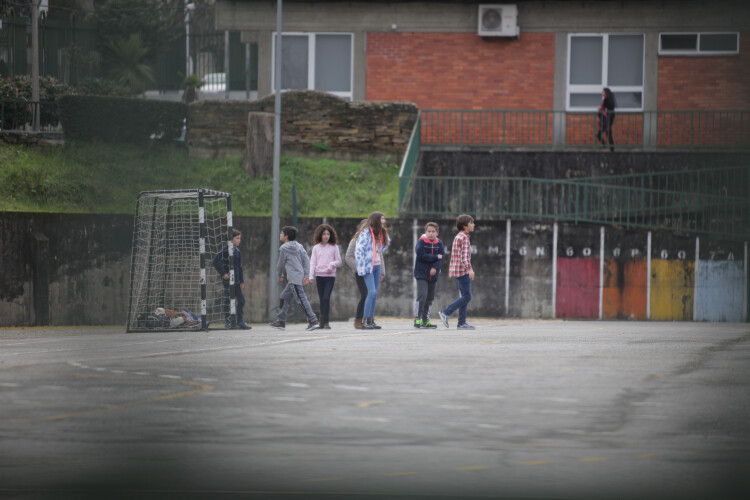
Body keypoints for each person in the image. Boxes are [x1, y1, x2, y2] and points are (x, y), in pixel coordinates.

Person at [269, 226, 320, 331]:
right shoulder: (299, 246)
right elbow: (306, 261)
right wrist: (306, 275)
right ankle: (281, 321)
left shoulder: (283, 248)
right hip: (298, 277)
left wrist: (279, 275)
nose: (280, 235)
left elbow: (280, 264)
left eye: (282, 233)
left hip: (294, 279)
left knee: (301, 299)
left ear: (286, 236)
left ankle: (313, 320)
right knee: (284, 297)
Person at [439, 214, 476, 330]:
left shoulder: (459, 236)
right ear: (465, 226)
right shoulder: (464, 238)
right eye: (471, 223)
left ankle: (461, 323)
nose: (473, 225)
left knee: (465, 296)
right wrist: (469, 269)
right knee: (467, 297)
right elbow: (464, 257)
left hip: (457, 269)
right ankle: (446, 312)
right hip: (462, 270)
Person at [354, 211, 390, 330]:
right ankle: (365, 321)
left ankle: (371, 320)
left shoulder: (379, 232)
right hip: (368, 267)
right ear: (376, 220)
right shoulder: (366, 233)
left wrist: (384, 234)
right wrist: (362, 267)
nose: (384, 221)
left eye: (384, 219)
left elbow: (383, 247)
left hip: (377, 266)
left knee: (374, 295)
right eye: (381, 219)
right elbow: (359, 250)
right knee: (372, 292)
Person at [211, 229, 250, 329]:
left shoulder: (237, 251)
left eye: (239, 238)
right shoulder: (225, 250)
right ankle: (228, 321)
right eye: (237, 238)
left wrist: (242, 281)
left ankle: (240, 321)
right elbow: (215, 262)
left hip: (236, 281)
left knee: (241, 300)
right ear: (230, 240)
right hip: (228, 281)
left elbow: (240, 267)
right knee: (227, 300)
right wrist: (223, 273)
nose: (239, 240)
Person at [309, 223, 342, 329]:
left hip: (330, 277)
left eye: (328, 234)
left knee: (326, 298)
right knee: (322, 299)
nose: (326, 236)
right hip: (319, 276)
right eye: (324, 234)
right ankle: (322, 323)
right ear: (320, 235)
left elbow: (339, 261)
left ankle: (326, 322)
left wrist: (331, 266)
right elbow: (312, 262)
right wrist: (311, 276)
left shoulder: (334, 247)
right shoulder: (315, 248)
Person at [413, 222, 444, 329]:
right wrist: (435, 257)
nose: (431, 234)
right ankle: (417, 318)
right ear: (425, 232)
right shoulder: (422, 242)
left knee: (430, 298)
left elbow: (442, 258)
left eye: (433, 232)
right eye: (429, 231)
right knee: (422, 295)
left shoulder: (439, 243)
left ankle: (425, 320)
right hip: (421, 274)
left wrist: (435, 267)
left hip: (433, 275)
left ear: (437, 233)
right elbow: (421, 255)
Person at [345, 219, 369, 329]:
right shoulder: (355, 240)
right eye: (364, 227)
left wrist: (382, 271)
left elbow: (379, 256)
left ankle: (368, 319)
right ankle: (358, 320)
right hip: (360, 272)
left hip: (370, 271)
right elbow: (348, 257)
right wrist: (359, 268)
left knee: (371, 295)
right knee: (365, 294)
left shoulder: (372, 240)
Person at [597, 87, 616, 152]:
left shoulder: (607, 100)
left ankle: (611, 148)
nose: (601, 93)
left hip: (607, 120)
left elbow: (607, 109)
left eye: (602, 91)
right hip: (607, 120)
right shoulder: (607, 99)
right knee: (607, 134)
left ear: (605, 92)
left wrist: (600, 108)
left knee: (607, 134)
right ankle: (609, 147)